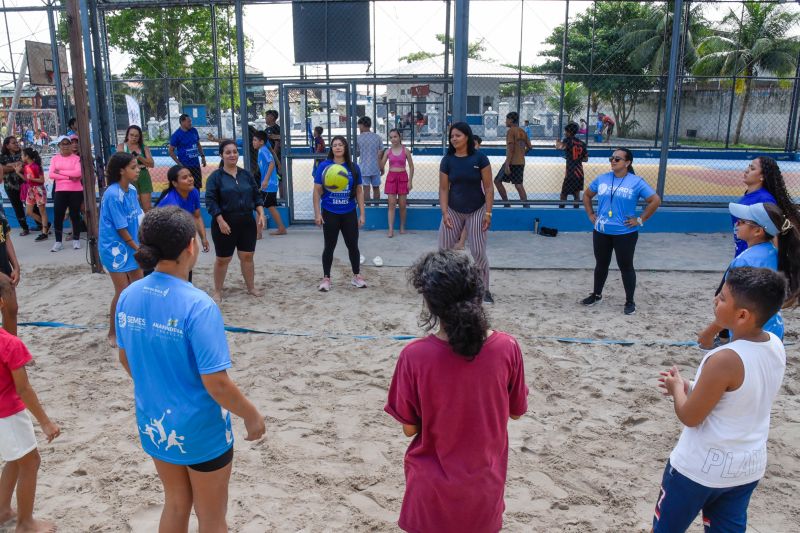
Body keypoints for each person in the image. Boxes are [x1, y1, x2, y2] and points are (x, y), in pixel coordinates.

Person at [117, 206, 266, 533]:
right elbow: (217, 384)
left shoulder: (128, 296)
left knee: (175, 502)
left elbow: (125, 359)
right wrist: (252, 415)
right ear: (190, 246)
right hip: (200, 429)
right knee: (212, 516)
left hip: (154, 421)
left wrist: (160, 387)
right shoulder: (199, 306)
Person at [385, 249, 528, 533]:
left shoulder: (415, 356)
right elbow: (516, 412)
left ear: (430, 302)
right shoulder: (506, 348)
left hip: (430, 492)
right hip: (483, 490)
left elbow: (410, 429)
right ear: (478, 292)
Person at [653, 267, 786, 533]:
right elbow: (737, 395)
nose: (716, 300)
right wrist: (692, 386)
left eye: (723, 298)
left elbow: (690, 416)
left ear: (742, 315)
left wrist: (677, 388)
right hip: (746, 468)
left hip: (697, 470)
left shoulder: (723, 358)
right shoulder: (774, 344)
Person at [698, 202, 800, 348]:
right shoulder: (772, 252)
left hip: (748, 335)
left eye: (742, 221)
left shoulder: (746, 261)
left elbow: (735, 307)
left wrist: (708, 333)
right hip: (773, 331)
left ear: (758, 231)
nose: (737, 224)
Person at [0, 288, 60, 533]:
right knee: (30, 461)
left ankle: (3, 509)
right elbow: (23, 388)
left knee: (16, 458)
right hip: (8, 413)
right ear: (2, 303)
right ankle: (25, 524)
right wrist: (46, 422)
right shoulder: (10, 344)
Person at [582, 148, 661, 315]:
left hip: (625, 233)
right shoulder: (602, 179)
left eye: (617, 159)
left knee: (626, 266)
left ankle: (630, 301)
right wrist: (590, 214)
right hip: (601, 231)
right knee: (601, 264)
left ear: (627, 163)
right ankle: (596, 295)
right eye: (611, 158)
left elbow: (655, 200)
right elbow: (587, 195)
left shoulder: (636, 181)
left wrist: (640, 220)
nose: (613, 161)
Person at [438, 122, 494, 303]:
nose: (454, 139)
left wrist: (488, 213)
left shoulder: (480, 159)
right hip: (453, 210)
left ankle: (484, 289)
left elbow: (488, 187)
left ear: (467, 137)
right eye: (452, 136)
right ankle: (445, 288)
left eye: (458, 135)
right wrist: (444, 212)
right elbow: (444, 189)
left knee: (478, 252)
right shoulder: (447, 160)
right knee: (444, 252)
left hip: (477, 211)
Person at [205, 140, 266, 302]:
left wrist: (261, 213)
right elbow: (210, 201)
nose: (232, 155)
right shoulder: (215, 177)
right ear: (221, 155)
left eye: (234, 152)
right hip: (224, 223)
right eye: (228, 152)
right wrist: (220, 220)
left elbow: (256, 196)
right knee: (223, 259)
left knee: (247, 256)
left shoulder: (246, 175)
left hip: (246, 221)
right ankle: (217, 290)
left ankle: (251, 287)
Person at [99, 152, 144, 345]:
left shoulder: (132, 190)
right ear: (121, 171)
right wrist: (137, 248)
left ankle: (136, 327)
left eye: (137, 166)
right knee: (123, 291)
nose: (138, 170)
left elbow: (138, 217)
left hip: (132, 245)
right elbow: (121, 228)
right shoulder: (112, 194)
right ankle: (113, 332)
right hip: (115, 249)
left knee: (139, 288)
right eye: (133, 167)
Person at [313, 136, 366, 292]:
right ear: (331, 148)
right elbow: (316, 191)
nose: (337, 147)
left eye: (340, 145)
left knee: (353, 246)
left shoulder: (354, 168)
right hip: (330, 212)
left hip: (349, 212)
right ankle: (326, 278)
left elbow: (359, 191)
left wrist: (362, 213)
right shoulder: (324, 166)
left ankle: (356, 276)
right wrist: (317, 213)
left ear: (345, 148)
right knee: (329, 246)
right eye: (334, 145)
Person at [729, 156, 798, 257]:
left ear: (763, 176)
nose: (747, 170)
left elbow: (774, 233)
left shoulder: (765, 200)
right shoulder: (749, 195)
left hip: (754, 259)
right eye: (749, 166)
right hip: (743, 254)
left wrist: (779, 265)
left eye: (752, 168)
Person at [155, 164, 210, 283]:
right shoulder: (171, 202)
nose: (190, 179)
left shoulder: (193, 192)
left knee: (185, 265)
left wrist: (203, 238)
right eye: (184, 177)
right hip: (163, 236)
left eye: (190, 175)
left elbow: (197, 216)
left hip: (179, 231)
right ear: (175, 183)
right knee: (174, 269)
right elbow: (170, 233)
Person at [48, 135, 83, 252]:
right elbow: (51, 174)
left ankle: (76, 239)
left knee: (75, 215)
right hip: (60, 190)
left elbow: (78, 173)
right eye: (63, 144)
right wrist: (69, 176)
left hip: (76, 190)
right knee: (58, 215)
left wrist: (61, 172)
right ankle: (58, 242)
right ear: (59, 146)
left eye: (67, 143)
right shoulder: (54, 159)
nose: (66, 146)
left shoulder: (76, 158)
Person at [380, 129, 414, 238]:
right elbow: (381, 166)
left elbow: (411, 166)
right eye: (391, 137)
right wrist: (378, 157)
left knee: (403, 205)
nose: (393, 139)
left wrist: (410, 181)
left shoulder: (406, 150)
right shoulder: (388, 151)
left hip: (403, 178)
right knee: (391, 204)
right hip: (391, 178)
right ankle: (390, 229)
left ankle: (402, 226)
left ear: (400, 137)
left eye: (395, 136)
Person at [253, 131, 287, 237]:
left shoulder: (263, 150)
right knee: (270, 207)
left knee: (260, 208)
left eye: (255, 140)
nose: (253, 142)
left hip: (269, 185)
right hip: (269, 184)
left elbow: (271, 164)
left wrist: (266, 180)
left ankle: (258, 234)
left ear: (261, 142)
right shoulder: (262, 150)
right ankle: (281, 228)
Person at [494, 111, 531, 205]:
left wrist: (507, 164)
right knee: (518, 185)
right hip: (521, 162)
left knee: (497, 181)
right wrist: (522, 153)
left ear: (511, 120)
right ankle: (526, 206)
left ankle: (506, 203)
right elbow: (530, 147)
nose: (505, 121)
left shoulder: (511, 131)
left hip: (511, 162)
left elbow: (511, 149)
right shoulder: (522, 131)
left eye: (506, 119)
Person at [118, 125, 155, 212]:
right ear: (127, 135)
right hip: (129, 177)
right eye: (131, 135)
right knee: (132, 207)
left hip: (143, 176)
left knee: (147, 207)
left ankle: (147, 225)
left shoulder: (144, 147)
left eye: (136, 136)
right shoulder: (122, 147)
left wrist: (139, 157)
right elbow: (121, 162)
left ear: (139, 137)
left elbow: (151, 164)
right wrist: (139, 165)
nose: (134, 138)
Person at [0, 137, 30, 236]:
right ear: (7, 145)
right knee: (18, 207)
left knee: (32, 206)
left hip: (25, 184)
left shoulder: (23, 153)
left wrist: (9, 165)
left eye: (17, 142)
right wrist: (16, 165)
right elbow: (2, 169)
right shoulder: (2, 157)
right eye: (14, 143)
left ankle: (41, 225)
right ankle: (25, 228)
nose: (17, 144)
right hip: (10, 186)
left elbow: (26, 166)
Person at [555, 122, 588, 209]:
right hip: (579, 172)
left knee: (564, 194)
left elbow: (559, 147)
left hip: (570, 172)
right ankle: (576, 211)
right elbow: (585, 159)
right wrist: (576, 158)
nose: (565, 133)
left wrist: (557, 142)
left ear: (569, 132)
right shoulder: (582, 143)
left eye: (565, 132)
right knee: (576, 194)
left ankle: (561, 211)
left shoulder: (568, 140)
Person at [169, 114, 206, 190]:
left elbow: (198, 144)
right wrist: (179, 164)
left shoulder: (194, 131)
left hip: (196, 165)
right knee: (186, 187)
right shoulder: (176, 135)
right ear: (182, 122)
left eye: (190, 121)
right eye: (188, 121)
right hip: (185, 166)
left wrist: (203, 157)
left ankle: (196, 201)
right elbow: (171, 151)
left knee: (196, 187)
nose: (190, 123)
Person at [21, 148, 49, 242]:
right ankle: (45, 225)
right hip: (31, 190)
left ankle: (44, 232)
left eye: (22, 155)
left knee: (42, 211)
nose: (21, 157)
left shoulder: (36, 166)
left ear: (27, 156)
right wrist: (18, 173)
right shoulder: (26, 166)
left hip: (39, 189)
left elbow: (42, 180)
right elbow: (27, 179)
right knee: (28, 212)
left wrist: (32, 179)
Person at [0, 217, 20, 336]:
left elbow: (6, 238)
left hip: (4, 268)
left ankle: (11, 349)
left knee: (12, 309)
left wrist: (16, 266)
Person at [356, 116, 383, 201]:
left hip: (364, 167)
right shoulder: (377, 137)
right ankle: (377, 206)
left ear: (362, 125)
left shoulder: (359, 138)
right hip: (375, 166)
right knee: (376, 188)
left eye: (359, 126)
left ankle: (368, 206)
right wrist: (381, 167)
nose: (359, 128)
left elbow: (357, 153)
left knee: (366, 189)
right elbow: (380, 153)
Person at [264, 110, 284, 198]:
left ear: (272, 117)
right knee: (271, 178)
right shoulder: (267, 130)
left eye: (266, 116)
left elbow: (277, 144)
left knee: (279, 178)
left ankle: (282, 199)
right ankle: (272, 197)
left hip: (276, 159)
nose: (265, 118)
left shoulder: (276, 128)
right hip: (270, 158)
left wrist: (273, 156)